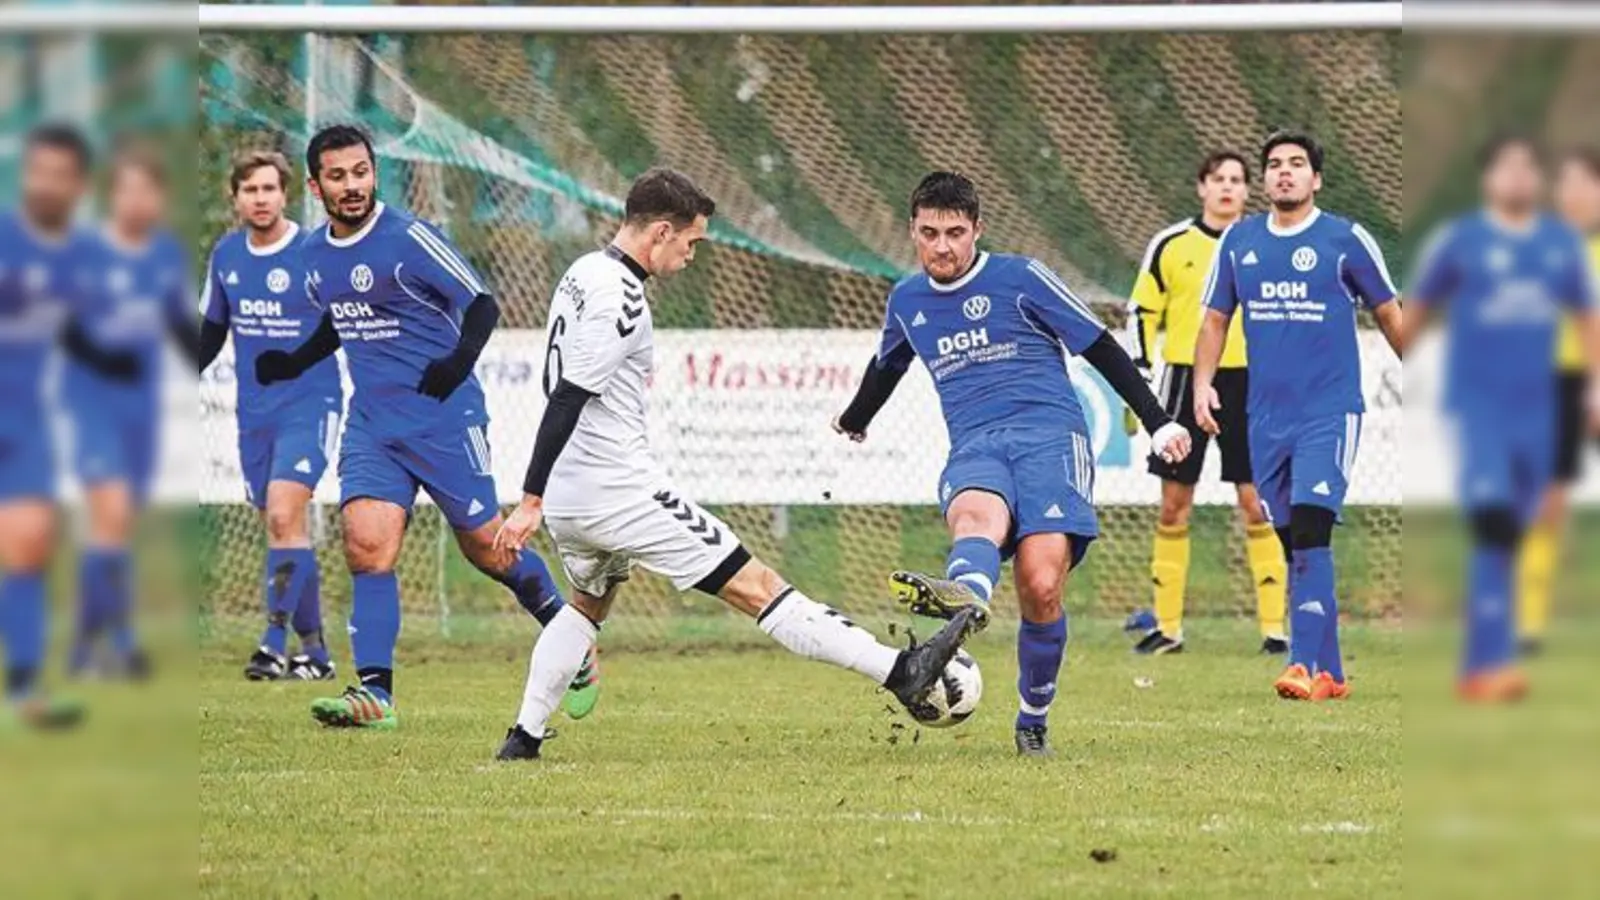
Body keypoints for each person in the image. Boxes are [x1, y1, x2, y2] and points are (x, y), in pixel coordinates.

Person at [491, 167, 984, 762]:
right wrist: (529, 500)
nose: (692, 255)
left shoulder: (582, 271)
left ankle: (523, 738)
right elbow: (570, 394)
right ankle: (900, 670)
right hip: (614, 490)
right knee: (759, 588)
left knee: (586, 606)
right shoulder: (620, 299)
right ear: (662, 232)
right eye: (691, 242)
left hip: (576, 497)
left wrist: (547, 500)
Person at [833, 171, 1191, 756]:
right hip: (976, 443)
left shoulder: (1020, 278)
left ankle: (1032, 718)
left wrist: (1159, 420)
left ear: (978, 229)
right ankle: (966, 599)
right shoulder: (906, 300)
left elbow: (1099, 345)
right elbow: (887, 367)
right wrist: (855, 417)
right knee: (974, 516)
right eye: (930, 233)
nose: (942, 246)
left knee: (1041, 584)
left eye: (955, 232)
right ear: (912, 232)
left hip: (1051, 438)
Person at [256, 125, 596, 728]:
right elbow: (342, 319)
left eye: (360, 171)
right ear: (315, 185)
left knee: (487, 548)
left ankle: (571, 638)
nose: (352, 185)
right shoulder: (311, 257)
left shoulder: (410, 238)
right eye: (338, 176)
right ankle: (375, 694)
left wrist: (457, 362)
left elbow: (482, 303)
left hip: (444, 417)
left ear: (373, 173)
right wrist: (294, 360)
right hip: (373, 426)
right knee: (366, 546)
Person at [1195, 131, 1403, 702]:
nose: (1284, 172)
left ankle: (1302, 664)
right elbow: (1215, 319)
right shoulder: (1240, 242)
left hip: (1329, 412)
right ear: (1265, 180)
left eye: (1297, 164)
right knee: (1296, 546)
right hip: (1265, 418)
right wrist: (1202, 386)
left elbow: (1390, 311)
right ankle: (1333, 674)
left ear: (1317, 179)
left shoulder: (1345, 239)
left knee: (1312, 529)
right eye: (1275, 165)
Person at [1402, 134, 1599, 701]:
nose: (1518, 177)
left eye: (1527, 167)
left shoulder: (1559, 245)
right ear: (1487, 180)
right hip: (1478, 407)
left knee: (1513, 530)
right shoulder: (1459, 242)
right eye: (1507, 167)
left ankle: (1483, 661)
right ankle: (1488, 664)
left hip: (1537, 409)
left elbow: (1587, 318)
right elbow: (1413, 314)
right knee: (1492, 519)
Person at [1126, 150, 1287, 655]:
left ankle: (1275, 631)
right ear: (1202, 187)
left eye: (1237, 180)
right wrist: (1141, 373)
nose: (1227, 188)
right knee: (1175, 506)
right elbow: (1141, 311)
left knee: (1256, 501)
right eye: (1218, 179)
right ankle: (1168, 629)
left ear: (1248, 190)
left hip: (1253, 382)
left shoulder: (1268, 242)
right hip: (1181, 380)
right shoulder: (1172, 244)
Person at [199, 150, 342, 681]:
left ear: (286, 194)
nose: (260, 199)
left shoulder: (311, 251)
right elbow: (211, 333)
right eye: (249, 190)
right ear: (234, 198)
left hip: (311, 404)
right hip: (254, 414)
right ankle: (317, 652)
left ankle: (271, 641)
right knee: (286, 531)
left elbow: (339, 323)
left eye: (269, 189)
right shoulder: (227, 256)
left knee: (285, 515)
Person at [64, 140, 201, 679]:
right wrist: (105, 359)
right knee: (110, 516)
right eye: (129, 190)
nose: (139, 200)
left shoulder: (165, 255)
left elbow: (178, 327)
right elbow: (68, 328)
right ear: (112, 196)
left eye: (149, 191)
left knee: (119, 528)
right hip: (94, 407)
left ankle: (87, 644)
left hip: (143, 412)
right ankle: (114, 643)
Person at [1516, 147, 1600, 655]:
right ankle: (1528, 625)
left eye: (1579, 182)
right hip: (1559, 381)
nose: (1568, 192)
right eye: (1562, 183)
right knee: (1547, 499)